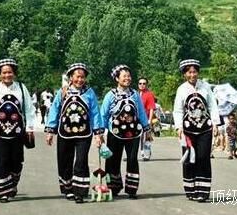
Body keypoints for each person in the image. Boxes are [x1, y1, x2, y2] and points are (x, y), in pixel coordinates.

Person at [0, 58, 36, 203]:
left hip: (17, 133)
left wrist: (29, 128)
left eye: (9, 72)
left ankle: (12, 184)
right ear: (0, 74)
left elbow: (29, 109)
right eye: (4, 73)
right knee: (1, 161)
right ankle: (3, 192)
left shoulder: (21, 88)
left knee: (16, 162)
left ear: (14, 73)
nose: (7, 75)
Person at [46, 62, 104, 204]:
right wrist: (50, 131)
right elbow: (54, 110)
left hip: (84, 134)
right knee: (64, 160)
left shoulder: (90, 93)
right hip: (65, 132)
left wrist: (98, 133)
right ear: (71, 77)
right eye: (77, 77)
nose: (80, 80)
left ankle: (80, 192)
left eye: (82, 77)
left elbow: (95, 113)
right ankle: (68, 188)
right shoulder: (63, 92)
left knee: (81, 161)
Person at [173, 59, 221, 203]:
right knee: (189, 159)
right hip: (188, 130)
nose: (192, 75)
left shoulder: (205, 87)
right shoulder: (181, 89)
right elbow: (178, 110)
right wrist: (179, 127)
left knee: (203, 157)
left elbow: (212, 106)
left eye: (194, 72)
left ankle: (203, 191)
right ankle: (190, 189)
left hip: (205, 128)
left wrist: (216, 123)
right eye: (189, 72)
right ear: (185, 74)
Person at [100, 64, 151, 198]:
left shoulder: (134, 94)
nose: (127, 78)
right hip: (115, 133)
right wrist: (100, 133)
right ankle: (113, 188)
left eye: (129, 76)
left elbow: (140, 112)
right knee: (113, 160)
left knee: (132, 159)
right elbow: (104, 114)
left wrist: (147, 128)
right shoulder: (110, 95)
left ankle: (131, 189)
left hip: (133, 133)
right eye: (124, 76)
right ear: (117, 78)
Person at [138, 78, 157, 161]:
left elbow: (152, 108)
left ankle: (146, 153)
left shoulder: (149, 94)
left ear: (146, 85)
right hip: (137, 120)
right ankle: (139, 152)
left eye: (144, 83)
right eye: (140, 83)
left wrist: (150, 120)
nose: (142, 85)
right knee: (138, 137)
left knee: (147, 137)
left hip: (146, 119)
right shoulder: (137, 94)